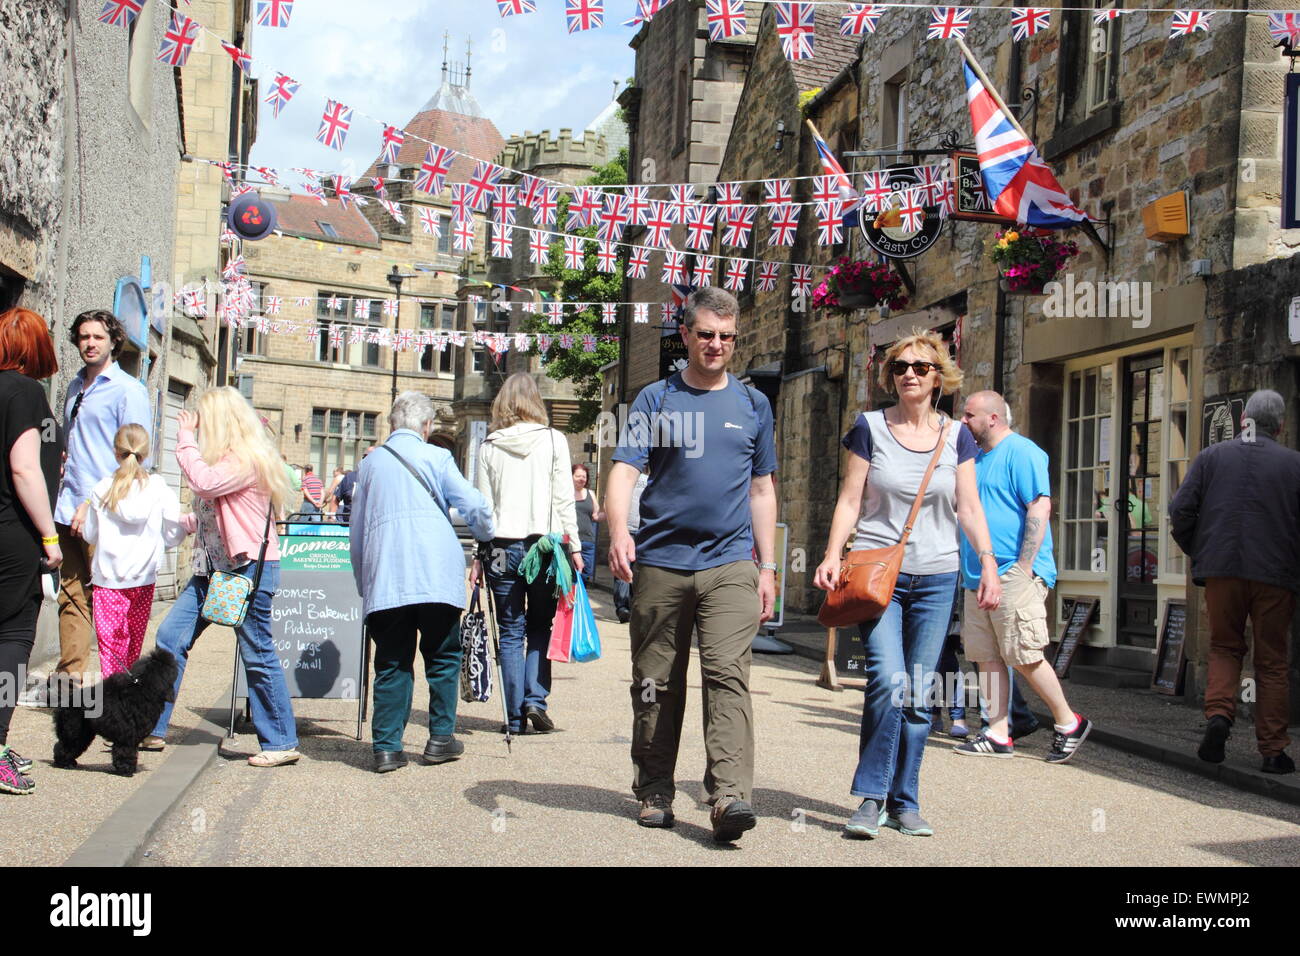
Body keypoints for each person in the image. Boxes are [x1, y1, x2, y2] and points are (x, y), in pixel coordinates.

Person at [814, 329, 1002, 839]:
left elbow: (968, 506)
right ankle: (870, 798)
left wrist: (986, 561)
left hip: (938, 577)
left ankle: (906, 800)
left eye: (921, 367)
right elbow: (850, 500)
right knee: (888, 682)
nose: (910, 375)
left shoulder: (956, 436)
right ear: (889, 376)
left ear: (939, 376)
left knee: (920, 692)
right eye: (900, 367)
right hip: (879, 578)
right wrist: (833, 555)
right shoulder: (869, 428)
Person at [606, 286, 777, 843]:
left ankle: (729, 796)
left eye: (727, 337)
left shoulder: (754, 405)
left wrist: (769, 565)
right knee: (656, 681)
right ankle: (655, 789)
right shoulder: (656, 399)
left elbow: (761, 488)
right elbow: (626, 471)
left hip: (731, 563)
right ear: (685, 335)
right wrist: (616, 532)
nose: (716, 345)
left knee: (728, 676)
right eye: (705, 334)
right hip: (661, 560)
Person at [143, 387, 300, 767]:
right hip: (213, 570)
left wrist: (183, 440)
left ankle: (281, 741)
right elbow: (218, 514)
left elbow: (205, 484)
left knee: (257, 653)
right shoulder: (228, 461)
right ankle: (152, 726)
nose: (197, 426)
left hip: (247, 571)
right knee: (169, 638)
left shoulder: (244, 460)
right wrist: (183, 522)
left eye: (203, 420)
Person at [350, 392, 495, 772]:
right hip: (435, 573)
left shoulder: (370, 464)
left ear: (392, 425)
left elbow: (357, 531)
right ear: (427, 426)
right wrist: (485, 532)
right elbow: (475, 506)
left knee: (392, 661)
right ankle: (440, 739)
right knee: (444, 657)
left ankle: (386, 748)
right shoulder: (438, 456)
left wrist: (363, 581)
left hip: (387, 577)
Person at [951, 391, 1091, 763]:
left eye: (969, 415)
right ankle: (998, 733)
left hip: (1014, 570)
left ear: (993, 418)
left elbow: (1039, 505)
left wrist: (1025, 567)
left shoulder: (1022, 451)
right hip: (978, 573)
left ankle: (1068, 722)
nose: (963, 421)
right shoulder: (974, 459)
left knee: (1024, 653)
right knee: (986, 656)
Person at [1170, 389, 1300, 774]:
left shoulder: (1212, 457)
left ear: (1244, 420)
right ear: (1281, 425)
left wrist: (1201, 550)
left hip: (1222, 569)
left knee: (1225, 647)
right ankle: (1273, 751)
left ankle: (1219, 718)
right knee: (1272, 661)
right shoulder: (1294, 464)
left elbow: (1180, 510)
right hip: (1275, 575)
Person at [473, 373, 583, 736]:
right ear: (536, 401)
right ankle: (535, 698)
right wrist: (577, 548)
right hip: (545, 546)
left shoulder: (488, 446)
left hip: (501, 548)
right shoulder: (554, 441)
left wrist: (477, 554)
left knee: (509, 631)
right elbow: (564, 499)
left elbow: (483, 508)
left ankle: (514, 716)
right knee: (539, 625)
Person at [55, 309, 152, 684]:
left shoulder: (129, 390)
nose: (89, 343)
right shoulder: (74, 386)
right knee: (71, 596)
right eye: (83, 337)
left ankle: (118, 686)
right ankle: (71, 682)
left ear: (114, 341)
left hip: (103, 512)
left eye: (97, 337)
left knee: (109, 602)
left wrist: (93, 501)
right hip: (67, 505)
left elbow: (140, 455)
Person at [0, 308, 62, 794]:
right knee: (13, 641)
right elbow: (24, 468)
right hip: (13, 535)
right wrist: (49, 535)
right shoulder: (23, 391)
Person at [82, 424, 186, 676]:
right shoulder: (159, 488)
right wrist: (159, 545)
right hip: (143, 578)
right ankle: (130, 700)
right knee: (132, 650)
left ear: (116, 452)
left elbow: (89, 534)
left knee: (111, 652)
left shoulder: (102, 488)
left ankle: (112, 703)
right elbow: (174, 531)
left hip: (108, 580)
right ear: (146, 453)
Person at [610, 471, 648, 624]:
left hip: (643, 531)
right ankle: (623, 608)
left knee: (638, 571)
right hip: (626, 531)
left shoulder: (650, 479)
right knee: (624, 568)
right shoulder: (623, 477)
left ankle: (633, 606)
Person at [572, 463, 603, 587]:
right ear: (571, 477)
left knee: (584, 576)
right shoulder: (565, 493)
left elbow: (595, 516)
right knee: (569, 576)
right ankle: (568, 604)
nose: (581, 479)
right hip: (571, 542)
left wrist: (609, 513)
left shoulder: (590, 493)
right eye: (578, 476)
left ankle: (579, 604)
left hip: (588, 542)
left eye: (584, 476)